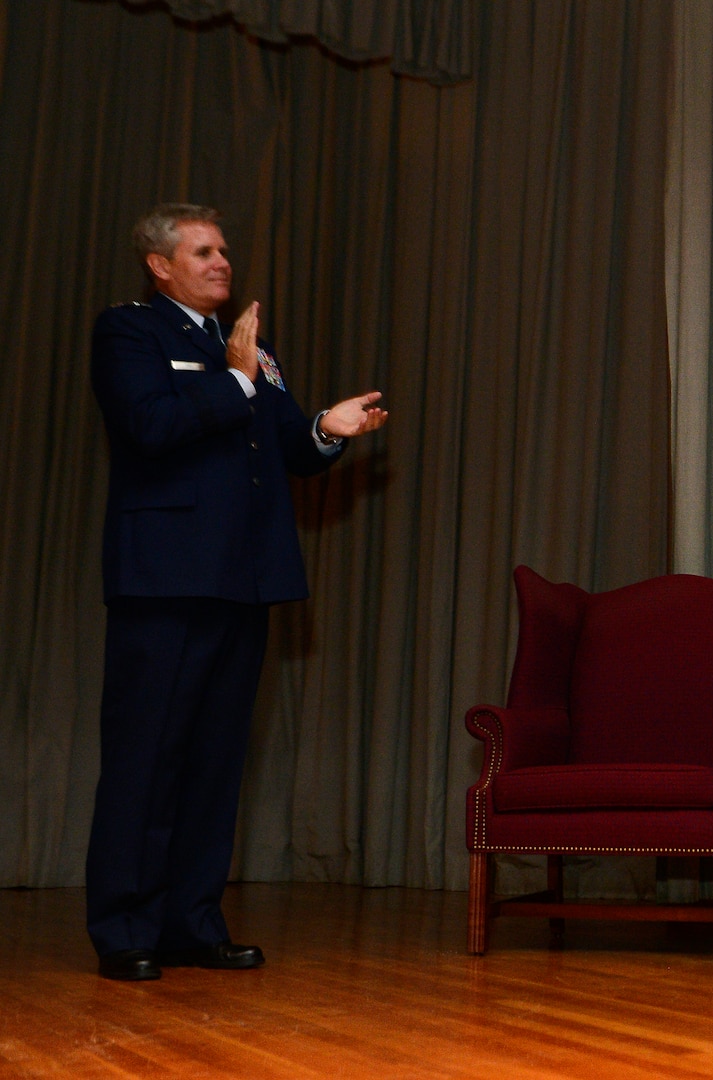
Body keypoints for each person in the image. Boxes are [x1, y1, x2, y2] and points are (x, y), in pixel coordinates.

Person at [85, 203, 389, 981]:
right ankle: (125, 929)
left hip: (242, 581)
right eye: (204, 250)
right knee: (145, 758)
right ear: (160, 265)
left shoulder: (247, 350)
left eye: (225, 250)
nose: (223, 261)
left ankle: (192, 923)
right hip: (165, 581)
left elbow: (289, 447)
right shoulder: (130, 333)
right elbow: (149, 426)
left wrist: (328, 425)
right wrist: (236, 379)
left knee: (217, 762)